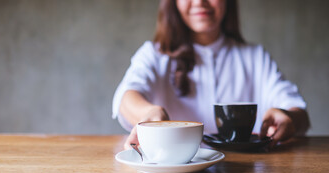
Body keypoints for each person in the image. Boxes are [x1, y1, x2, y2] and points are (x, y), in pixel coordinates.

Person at [112, 0, 310, 149]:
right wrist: (149, 114)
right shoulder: (154, 55)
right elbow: (126, 96)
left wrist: (288, 117)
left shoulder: (255, 57)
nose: (199, 2)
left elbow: (299, 113)